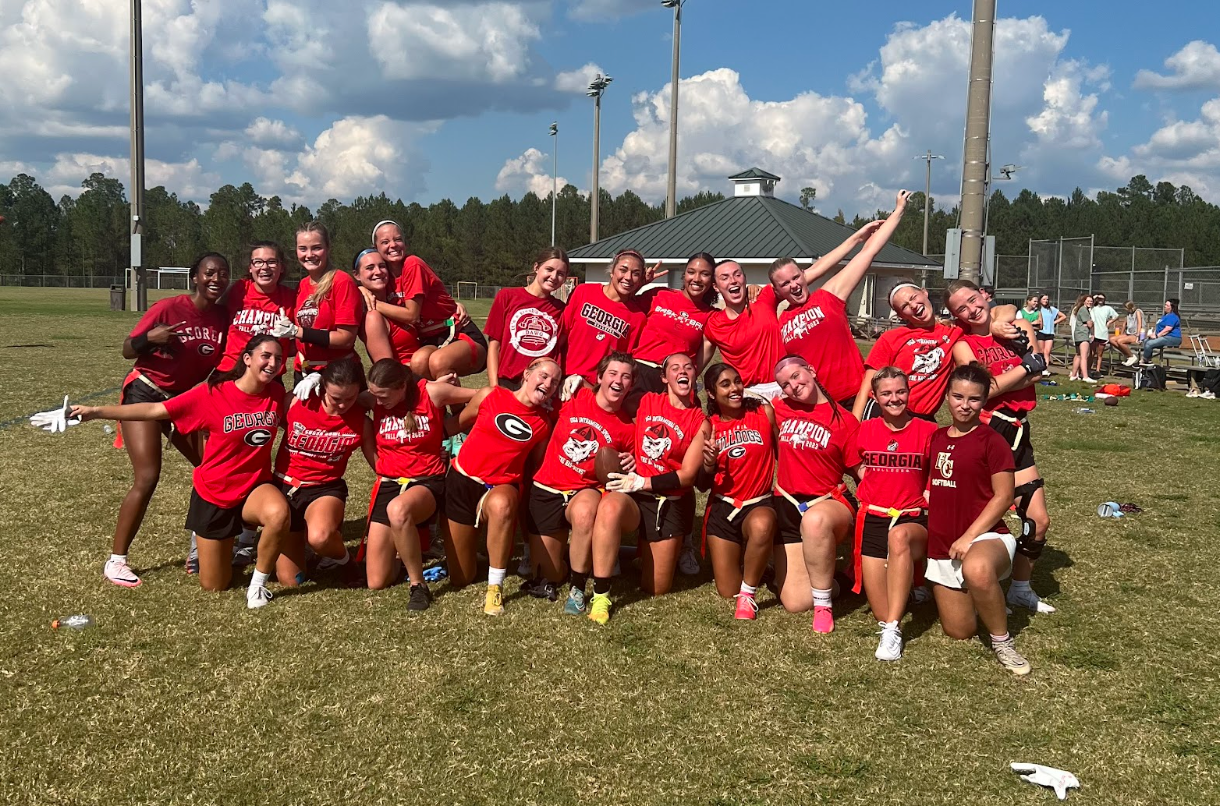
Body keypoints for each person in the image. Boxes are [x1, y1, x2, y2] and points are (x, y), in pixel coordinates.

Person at [73, 335, 292, 608]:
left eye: (278, 359)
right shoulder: (213, 394)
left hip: (253, 488)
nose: (272, 363)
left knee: (278, 513)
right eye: (266, 356)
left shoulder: (275, 395)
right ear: (247, 359)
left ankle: (257, 586)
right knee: (215, 585)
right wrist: (95, 411)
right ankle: (212, 544)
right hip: (215, 493)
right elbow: (155, 409)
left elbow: (314, 410)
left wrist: (315, 381)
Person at [100, 252, 230, 588]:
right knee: (147, 476)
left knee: (212, 466)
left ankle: (200, 547)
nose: (216, 279)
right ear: (195, 277)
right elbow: (127, 349)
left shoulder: (223, 317)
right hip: (145, 392)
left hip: (182, 400)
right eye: (209, 273)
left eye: (223, 274)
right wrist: (150, 339)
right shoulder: (169, 308)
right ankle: (116, 561)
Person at [945, 279, 1055, 616]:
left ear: (983, 295)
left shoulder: (1016, 324)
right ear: (956, 316)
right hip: (987, 432)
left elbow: (1040, 372)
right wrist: (1022, 368)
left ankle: (1020, 589)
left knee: (1038, 521)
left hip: (1019, 430)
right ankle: (969, 587)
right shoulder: (963, 345)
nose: (971, 309)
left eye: (972, 300)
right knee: (979, 516)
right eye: (961, 309)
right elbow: (983, 389)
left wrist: (1013, 375)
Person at [924, 364, 1029, 676]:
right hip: (943, 545)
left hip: (985, 536)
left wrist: (969, 537)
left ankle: (1002, 641)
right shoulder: (936, 438)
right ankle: (986, 597)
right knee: (960, 631)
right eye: (958, 396)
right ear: (947, 396)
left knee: (977, 569)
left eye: (974, 399)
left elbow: (1004, 496)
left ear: (984, 401)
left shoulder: (992, 441)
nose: (964, 405)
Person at [597, 353, 710, 623]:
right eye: (675, 368)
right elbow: (609, 399)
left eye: (688, 367)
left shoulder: (700, 421)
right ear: (664, 377)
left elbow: (686, 477)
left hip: (667, 501)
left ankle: (641, 552)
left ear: (695, 376)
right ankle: (600, 594)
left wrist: (643, 481)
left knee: (657, 587)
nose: (682, 372)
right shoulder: (647, 400)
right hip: (636, 497)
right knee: (610, 505)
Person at [772, 192, 909, 408]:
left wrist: (898, 211)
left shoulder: (828, 296)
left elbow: (868, 252)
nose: (794, 285)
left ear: (804, 275)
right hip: (817, 404)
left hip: (855, 397)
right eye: (785, 283)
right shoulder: (780, 321)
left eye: (796, 277)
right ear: (778, 290)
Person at [446, 358, 560, 615]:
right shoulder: (490, 395)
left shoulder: (543, 424)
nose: (548, 384)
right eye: (543, 376)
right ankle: (477, 550)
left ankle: (494, 588)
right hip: (462, 481)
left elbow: (536, 468)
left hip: (500, 488)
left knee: (504, 503)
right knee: (461, 577)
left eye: (554, 382)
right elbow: (455, 425)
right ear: (527, 374)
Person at [525, 352, 635, 610]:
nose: (618, 381)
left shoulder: (627, 427)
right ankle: (591, 552)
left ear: (631, 385)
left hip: (583, 491)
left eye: (626, 377)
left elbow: (635, 465)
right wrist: (571, 378)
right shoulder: (574, 396)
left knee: (585, 512)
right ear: (599, 378)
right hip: (547, 488)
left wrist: (633, 462)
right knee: (550, 573)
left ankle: (577, 587)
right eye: (612, 374)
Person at [362, 359, 476, 607]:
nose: (377, 402)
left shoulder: (432, 392)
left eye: (383, 396)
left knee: (398, 510)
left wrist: (449, 427)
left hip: (426, 482)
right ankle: (405, 549)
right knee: (376, 581)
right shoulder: (373, 399)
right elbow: (342, 400)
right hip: (390, 483)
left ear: (402, 386)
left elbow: (483, 396)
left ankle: (418, 585)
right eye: (374, 395)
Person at [771, 356, 861, 633]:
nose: (793, 386)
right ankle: (839, 582)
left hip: (827, 502)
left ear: (811, 370)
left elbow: (861, 472)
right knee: (796, 602)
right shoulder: (780, 408)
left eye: (796, 376)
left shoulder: (844, 421)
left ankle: (824, 606)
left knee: (815, 521)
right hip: (787, 502)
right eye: (785, 384)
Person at [853, 367, 936, 660]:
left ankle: (892, 630)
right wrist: (863, 474)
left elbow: (940, 468)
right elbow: (849, 458)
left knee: (899, 537)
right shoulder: (864, 429)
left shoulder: (928, 430)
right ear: (874, 397)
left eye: (900, 391)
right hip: (874, 518)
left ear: (909, 393)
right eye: (886, 393)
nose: (894, 398)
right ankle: (907, 590)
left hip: (912, 519)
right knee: (882, 609)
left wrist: (928, 492)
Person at [270, 358, 369, 588]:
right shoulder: (297, 401)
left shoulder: (361, 421)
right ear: (323, 387)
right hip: (284, 486)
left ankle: (346, 563)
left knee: (320, 537)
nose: (342, 405)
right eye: (336, 398)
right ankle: (306, 549)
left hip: (324, 488)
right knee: (290, 581)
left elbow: (380, 463)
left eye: (350, 398)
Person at [699, 363, 777, 620]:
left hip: (758, 502)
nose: (735, 388)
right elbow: (701, 484)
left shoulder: (763, 413)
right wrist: (708, 464)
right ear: (711, 393)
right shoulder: (709, 426)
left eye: (737, 381)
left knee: (762, 524)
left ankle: (748, 594)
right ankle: (759, 564)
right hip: (723, 506)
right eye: (725, 384)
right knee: (727, 590)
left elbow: (784, 454)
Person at [368, 219, 486, 379]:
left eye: (398, 239)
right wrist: (361, 290)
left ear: (405, 243)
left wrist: (374, 304)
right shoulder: (383, 277)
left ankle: (467, 397)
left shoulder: (412, 264)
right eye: (385, 242)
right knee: (418, 363)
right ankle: (451, 396)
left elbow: (412, 315)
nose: (393, 245)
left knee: (439, 362)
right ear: (375, 248)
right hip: (429, 339)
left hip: (456, 330)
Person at [853, 283, 961, 422]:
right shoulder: (892, 338)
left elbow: (985, 316)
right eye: (905, 306)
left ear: (924, 292)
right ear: (900, 315)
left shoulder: (953, 331)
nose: (913, 305)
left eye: (913, 297)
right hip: (885, 413)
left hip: (923, 418)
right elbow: (866, 388)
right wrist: (854, 427)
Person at [628, 252, 717, 409]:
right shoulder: (659, 294)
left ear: (712, 281)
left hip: (675, 380)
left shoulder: (711, 316)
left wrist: (750, 292)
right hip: (640, 372)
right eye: (691, 272)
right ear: (684, 275)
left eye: (705, 274)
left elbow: (703, 356)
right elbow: (622, 306)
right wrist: (638, 285)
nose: (696, 279)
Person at [559, 249, 649, 394]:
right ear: (612, 271)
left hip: (597, 391)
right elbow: (562, 335)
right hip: (564, 382)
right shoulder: (583, 292)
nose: (628, 277)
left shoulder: (637, 317)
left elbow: (624, 362)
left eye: (636, 273)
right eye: (623, 270)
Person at [484, 247, 569, 391]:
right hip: (507, 383)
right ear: (536, 267)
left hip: (541, 387)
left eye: (560, 274)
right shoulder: (507, 296)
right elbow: (494, 345)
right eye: (549, 269)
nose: (554, 277)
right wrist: (494, 386)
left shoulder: (562, 309)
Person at [291, 221, 361, 384]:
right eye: (303, 249)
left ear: (328, 248)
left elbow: (346, 339)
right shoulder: (301, 285)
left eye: (316, 248)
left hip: (338, 374)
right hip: (304, 370)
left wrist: (298, 332)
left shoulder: (341, 281)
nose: (309, 255)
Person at [704, 260, 784, 401]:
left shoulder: (763, 299)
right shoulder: (714, 324)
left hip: (783, 387)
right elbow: (696, 365)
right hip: (748, 395)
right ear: (716, 286)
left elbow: (801, 278)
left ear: (745, 278)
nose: (733, 280)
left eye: (737, 275)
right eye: (725, 277)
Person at [219, 241, 296, 377]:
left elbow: (303, 339)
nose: (265, 267)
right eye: (258, 262)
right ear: (250, 267)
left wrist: (281, 350)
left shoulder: (290, 298)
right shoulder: (239, 289)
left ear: (282, 267)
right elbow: (214, 315)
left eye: (272, 262)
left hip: (268, 375)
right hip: (230, 371)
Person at [354, 248, 420, 367]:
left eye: (382, 266)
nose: (378, 271)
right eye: (370, 268)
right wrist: (427, 368)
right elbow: (387, 371)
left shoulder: (396, 301)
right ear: (356, 275)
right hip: (409, 375)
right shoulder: (373, 317)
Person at [1134, 299, 1182, 365]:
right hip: (1163, 336)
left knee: (1149, 344)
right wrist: (1152, 335)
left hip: (1173, 338)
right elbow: (1158, 328)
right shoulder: (1164, 316)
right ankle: (1148, 360)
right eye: (1165, 304)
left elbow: (1167, 329)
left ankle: (1144, 360)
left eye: (1167, 305)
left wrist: (1157, 336)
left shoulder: (1173, 316)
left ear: (1172, 307)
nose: (1165, 306)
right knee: (1145, 341)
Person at [1089, 293, 1119, 377]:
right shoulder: (1093, 308)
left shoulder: (1108, 308)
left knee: (1100, 354)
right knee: (1091, 353)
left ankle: (1097, 371)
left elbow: (1116, 316)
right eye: (1099, 298)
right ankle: (1088, 369)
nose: (1100, 300)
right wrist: (1095, 297)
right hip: (1094, 334)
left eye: (1102, 298)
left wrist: (1109, 322)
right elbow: (1090, 304)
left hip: (1103, 334)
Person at [1069, 294, 1096, 382]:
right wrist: (1091, 323)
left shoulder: (1081, 309)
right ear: (1084, 301)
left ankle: (1073, 375)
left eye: (1091, 301)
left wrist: (1088, 323)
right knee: (1084, 356)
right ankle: (1085, 376)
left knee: (1078, 355)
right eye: (1088, 301)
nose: (1090, 302)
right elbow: (1090, 324)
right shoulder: (1084, 310)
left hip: (1077, 335)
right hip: (1083, 335)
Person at [1036, 293, 1064, 373]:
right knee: (1041, 351)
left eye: (1047, 299)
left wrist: (1054, 322)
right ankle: (1040, 367)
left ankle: (1045, 369)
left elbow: (1063, 316)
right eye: (1044, 299)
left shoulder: (1052, 309)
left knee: (1047, 352)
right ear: (1040, 300)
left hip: (1050, 332)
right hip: (1040, 332)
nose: (1046, 301)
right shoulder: (1037, 310)